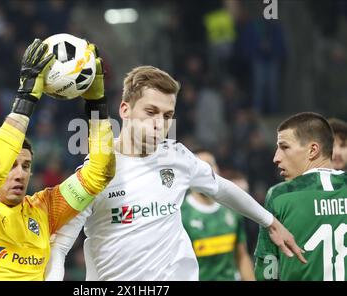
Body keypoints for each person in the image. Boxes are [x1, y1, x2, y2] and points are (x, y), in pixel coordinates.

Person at [45, 66, 305, 281]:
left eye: (167, 115)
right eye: (151, 112)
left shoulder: (177, 156)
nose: (160, 123)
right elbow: (60, 246)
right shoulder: (95, 173)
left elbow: (221, 188)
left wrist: (269, 222)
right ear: (125, 110)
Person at [0, 39, 115, 280]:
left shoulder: (43, 211)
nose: (20, 173)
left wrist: (97, 104)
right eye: (11, 165)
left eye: (25, 165)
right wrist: (26, 97)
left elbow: (99, 173)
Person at [255, 112, 347, 281]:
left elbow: (267, 270)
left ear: (312, 150)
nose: (276, 158)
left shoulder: (280, 196)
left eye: (284, 147)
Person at [181, 148, 255, 281]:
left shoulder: (231, 209)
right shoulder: (181, 215)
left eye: (209, 165)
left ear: (218, 170)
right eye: (198, 166)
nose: (204, 172)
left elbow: (242, 256)